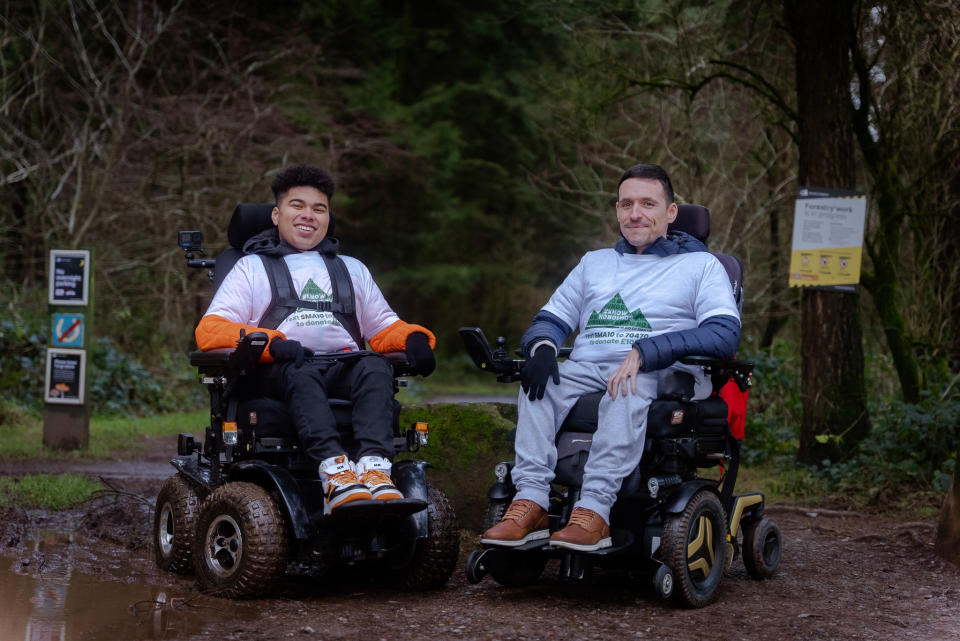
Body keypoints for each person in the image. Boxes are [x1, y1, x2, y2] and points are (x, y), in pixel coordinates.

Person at [481, 163, 741, 551]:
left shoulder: (701, 266)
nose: (635, 213)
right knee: (539, 385)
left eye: (648, 203)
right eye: (626, 204)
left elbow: (723, 333)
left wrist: (646, 350)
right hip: (589, 367)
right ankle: (531, 501)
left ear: (670, 212)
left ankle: (594, 512)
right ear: (617, 210)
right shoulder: (594, 263)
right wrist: (543, 348)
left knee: (624, 386)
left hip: (663, 373)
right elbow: (550, 319)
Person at [194, 164, 436, 514]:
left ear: (327, 218)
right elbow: (211, 329)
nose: (308, 215)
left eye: (319, 208)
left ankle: (374, 470)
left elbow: (383, 326)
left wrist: (413, 339)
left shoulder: (352, 269)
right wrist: (272, 342)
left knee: (373, 363)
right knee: (300, 368)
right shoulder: (251, 267)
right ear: (277, 215)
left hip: (341, 367)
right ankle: (335, 474)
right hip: (279, 371)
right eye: (298, 205)